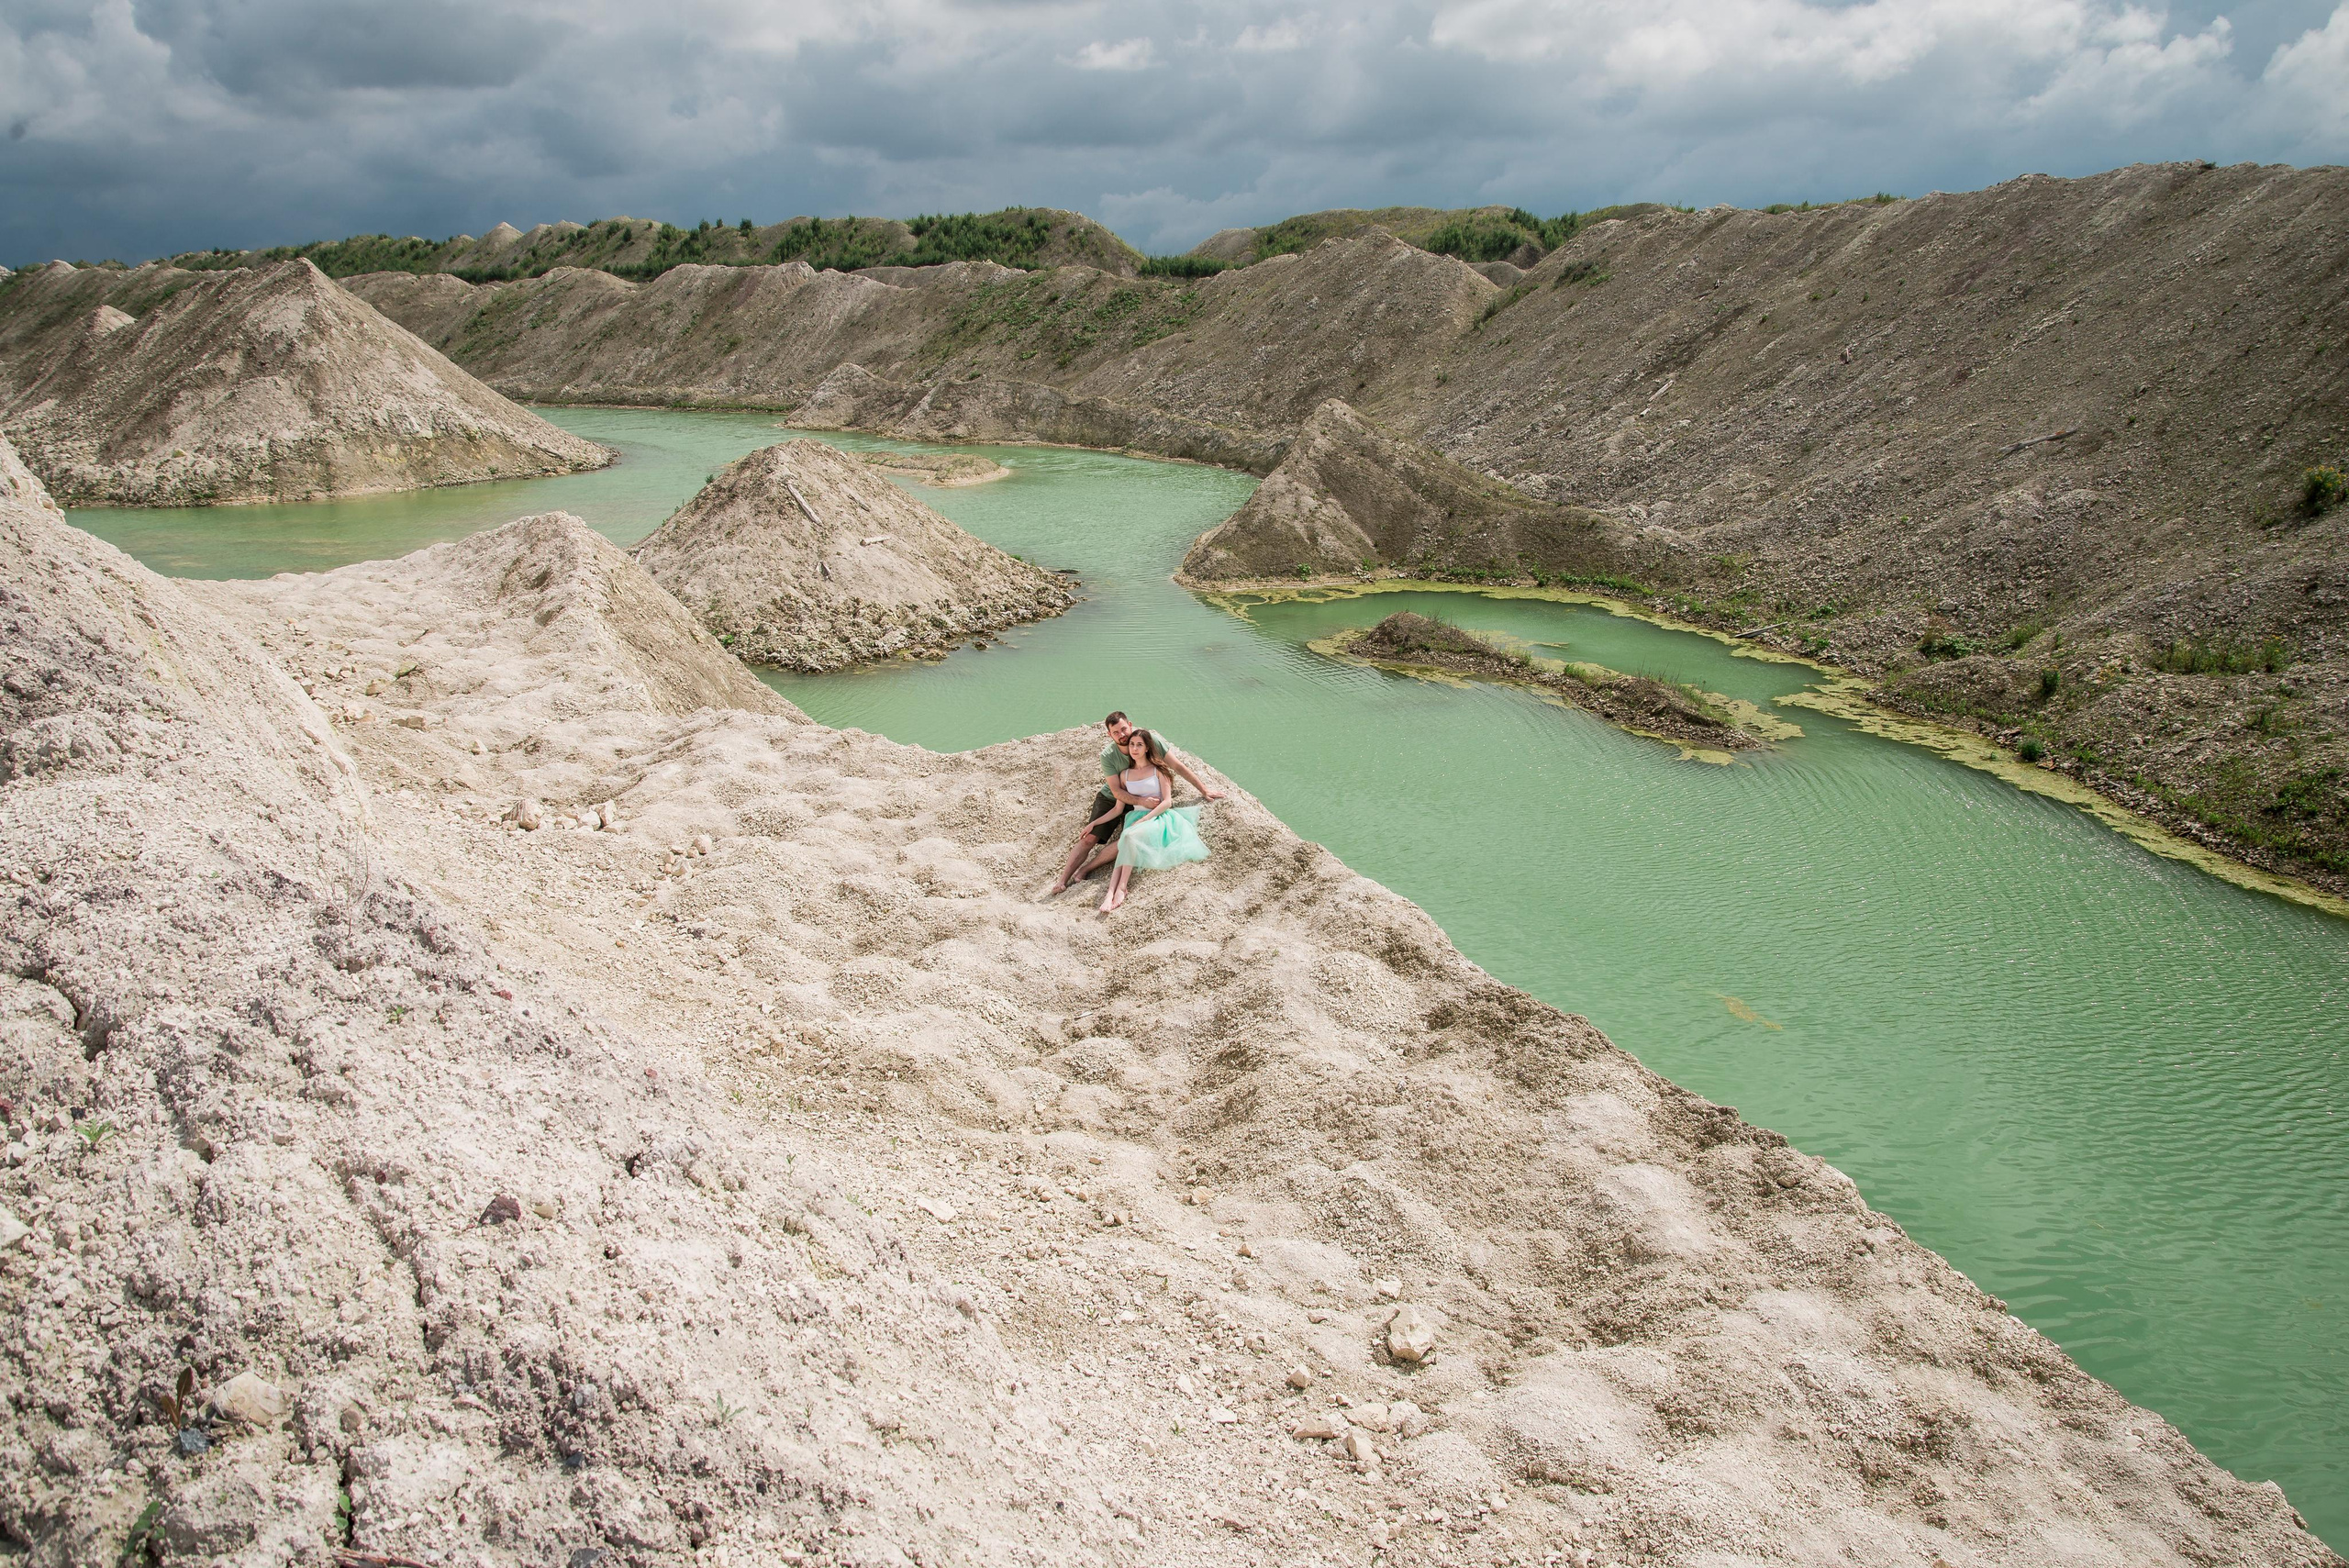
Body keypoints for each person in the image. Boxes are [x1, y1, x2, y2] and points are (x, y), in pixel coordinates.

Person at [1047, 711, 1223, 895]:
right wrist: (1140, 802)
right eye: (1116, 732)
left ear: (1130, 725)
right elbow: (1116, 792)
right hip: (1114, 798)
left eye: (1124, 729)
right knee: (1090, 837)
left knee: (1128, 838)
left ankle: (1088, 870)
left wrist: (1203, 790)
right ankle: (1062, 881)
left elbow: (1177, 766)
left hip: (1141, 802)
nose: (1122, 735)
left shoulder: (1148, 741)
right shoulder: (1108, 755)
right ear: (1110, 735)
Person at [1095, 728, 1208, 913]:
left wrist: (1145, 819)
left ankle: (1121, 887)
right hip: (1136, 816)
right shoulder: (1124, 775)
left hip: (1159, 818)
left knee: (1129, 837)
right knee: (1127, 837)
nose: (1134, 748)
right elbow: (1118, 808)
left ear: (1147, 748)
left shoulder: (1159, 770)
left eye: (1139, 745)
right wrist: (1094, 823)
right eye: (1132, 744)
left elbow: (1167, 802)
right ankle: (1110, 893)